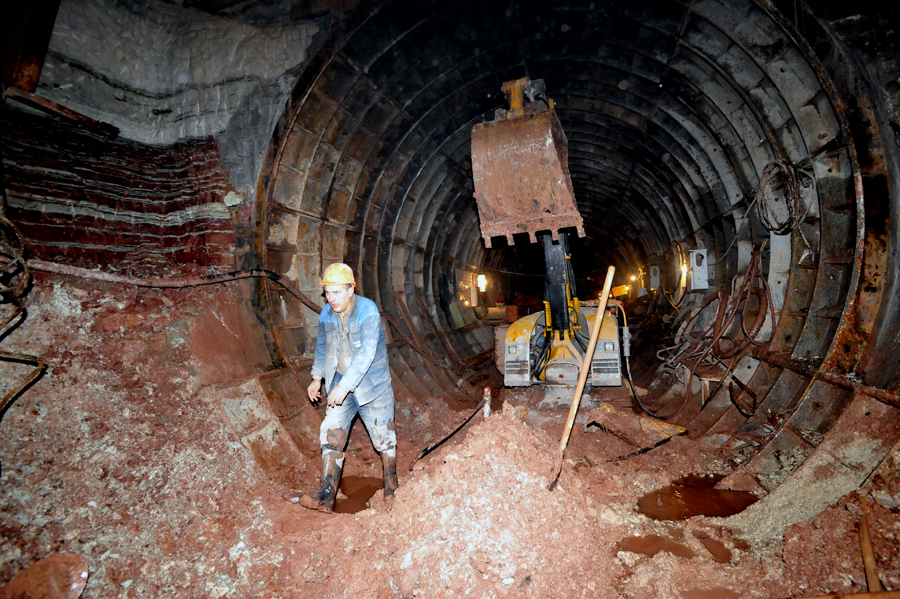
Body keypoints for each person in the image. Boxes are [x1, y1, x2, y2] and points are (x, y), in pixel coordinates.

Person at [283, 263, 398, 513]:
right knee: (331, 433)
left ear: (350, 290)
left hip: (372, 386)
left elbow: (366, 354)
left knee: (383, 438)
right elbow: (323, 347)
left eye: (336, 292)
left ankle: (391, 488)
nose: (330, 298)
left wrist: (344, 386)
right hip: (340, 383)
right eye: (327, 292)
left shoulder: (367, 311)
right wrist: (317, 378)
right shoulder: (327, 314)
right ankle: (326, 497)